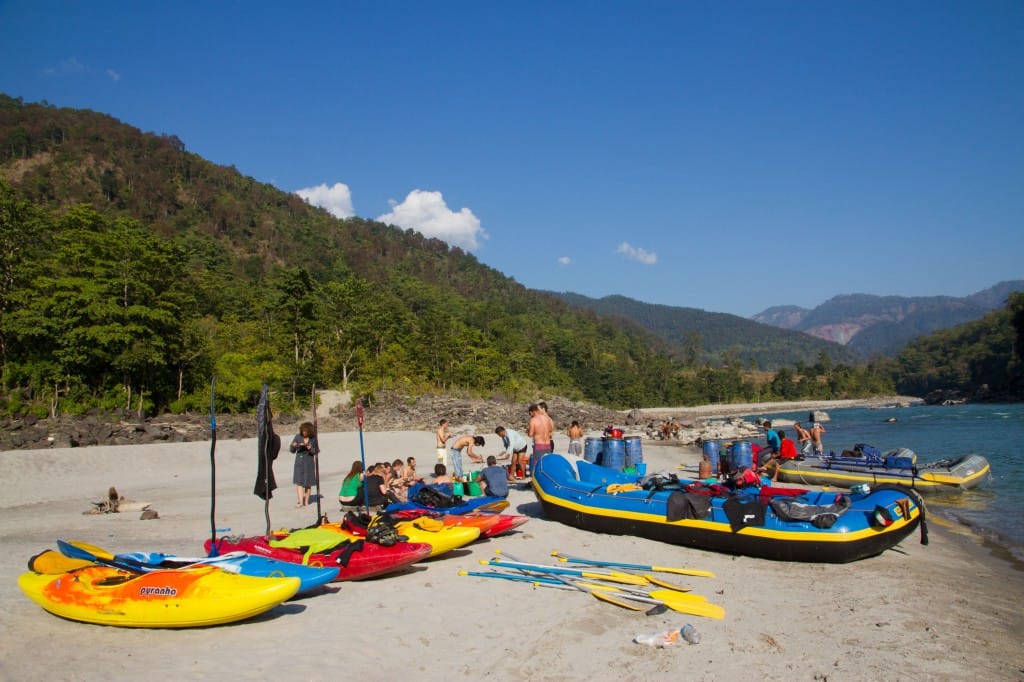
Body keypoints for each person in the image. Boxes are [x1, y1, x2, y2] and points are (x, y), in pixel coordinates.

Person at [289, 421, 319, 508]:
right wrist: (293, 446)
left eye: (305, 431)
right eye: (302, 431)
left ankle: (306, 501)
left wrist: (310, 448)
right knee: (299, 482)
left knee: (308, 483)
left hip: (309, 462)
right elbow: (291, 450)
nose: (304, 432)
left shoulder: (313, 438)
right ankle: (301, 502)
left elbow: (316, 451)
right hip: (299, 461)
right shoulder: (298, 437)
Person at [528, 403, 553, 475]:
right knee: (547, 464)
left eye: (530, 413)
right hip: (548, 444)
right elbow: (550, 430)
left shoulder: (533, 420)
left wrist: (528, 430)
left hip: (539, 445)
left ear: (532, 411)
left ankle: (538, 480)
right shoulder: (547, 419)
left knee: (537, 464)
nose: (530, 415)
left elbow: (530, 434)